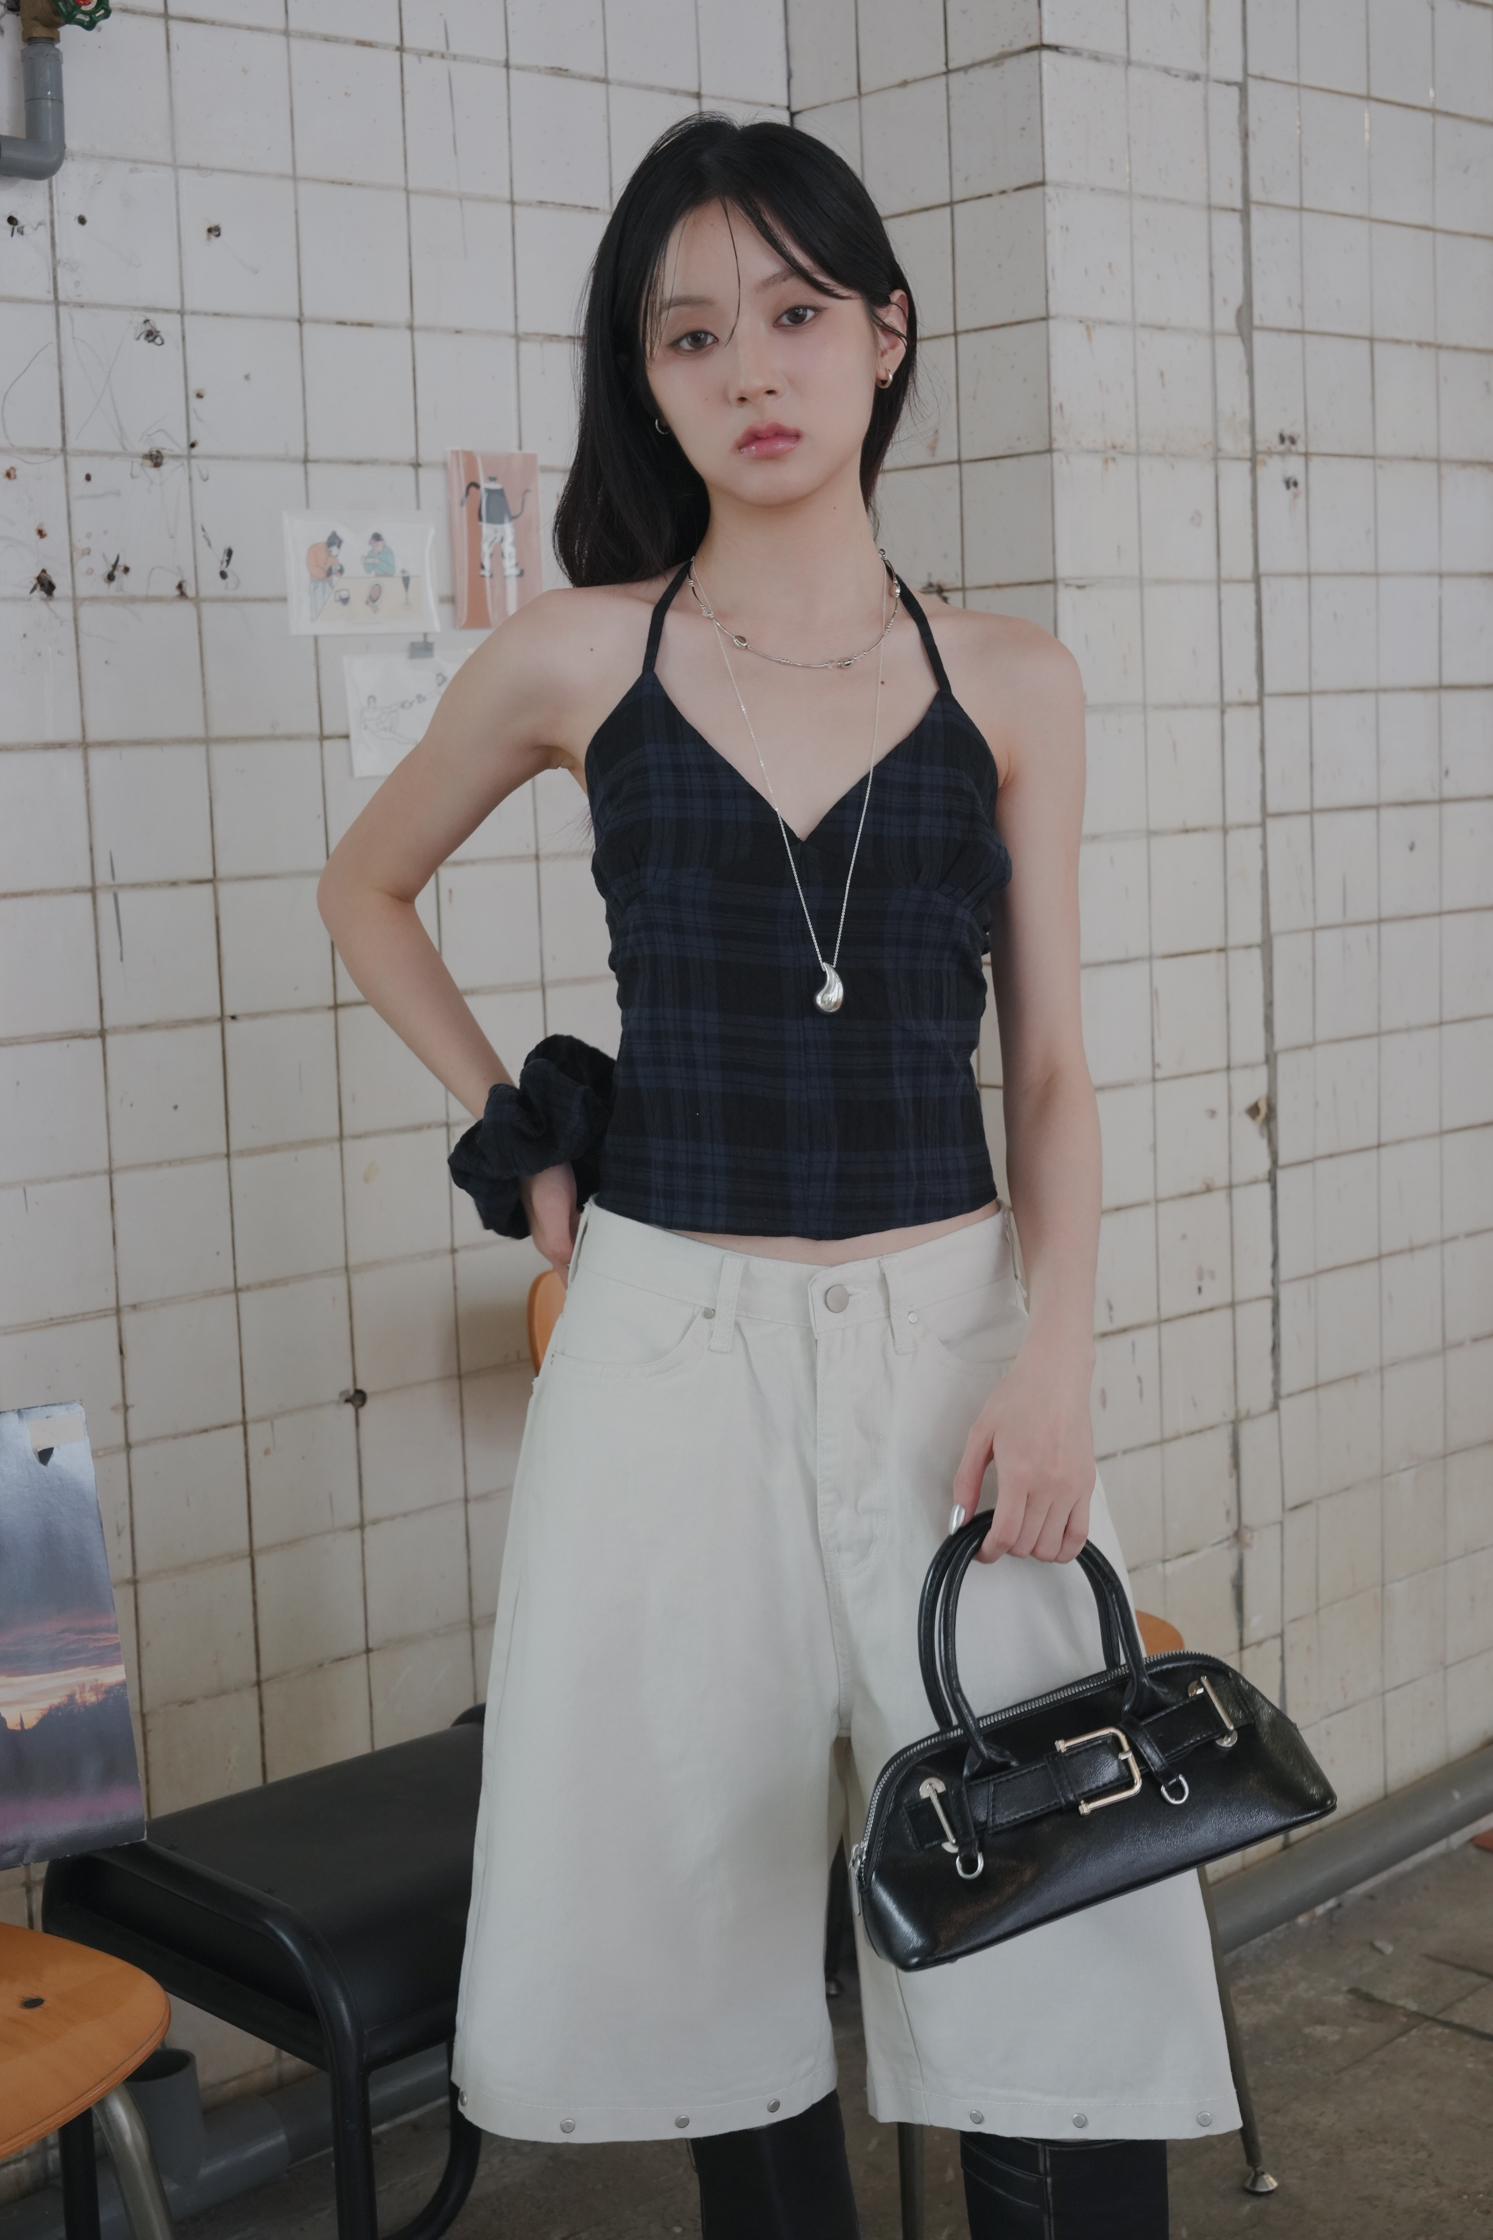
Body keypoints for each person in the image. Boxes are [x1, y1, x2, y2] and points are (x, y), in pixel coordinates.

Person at [318, 116, 1236, 2240]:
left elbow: (1054, 1066)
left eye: (797, 311)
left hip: (955, 1350)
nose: (752, 366)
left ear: (885, 335)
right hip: (666, 1351)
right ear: (645, 383)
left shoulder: (1011, 679)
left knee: (1056, 1908)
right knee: (707, 1932)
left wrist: (1061, 1358)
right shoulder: (578, 655)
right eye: (691, 333)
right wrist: (520, 1143)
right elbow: (362, 886)